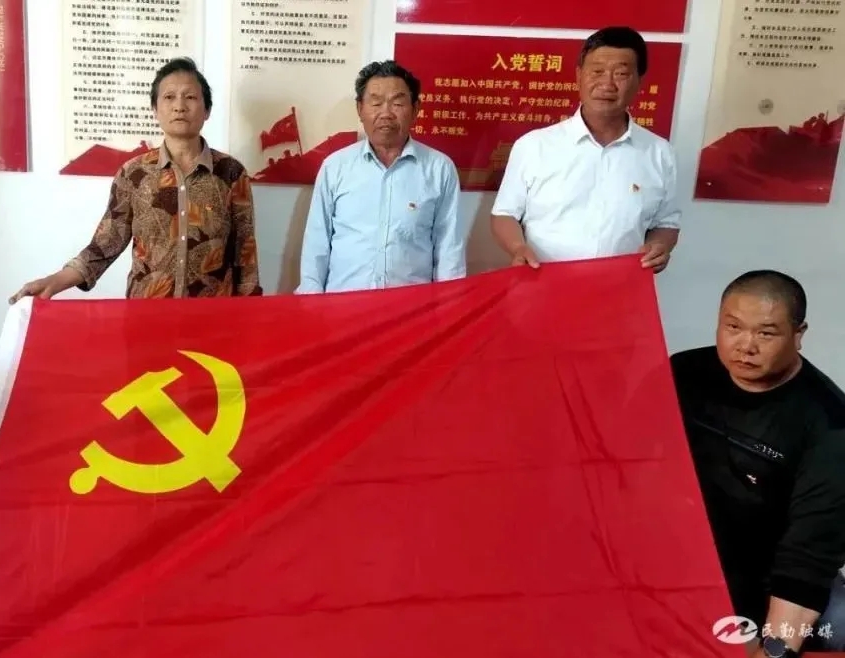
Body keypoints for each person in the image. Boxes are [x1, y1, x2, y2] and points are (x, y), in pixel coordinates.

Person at [669, 270, 845, 657]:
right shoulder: (682, 374)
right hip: (684, 560)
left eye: (766, 333)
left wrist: (776, 650)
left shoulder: (830, 425)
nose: (745, 346)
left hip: (771, 572)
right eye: (733, 327)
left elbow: (808, 554)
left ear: (798, 334)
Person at [10, 57, 261, 301]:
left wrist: (251, 315)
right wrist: (56, 281)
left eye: (191, 97)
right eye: (169, 97)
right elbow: (106, 243)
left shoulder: (231, 173)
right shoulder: (134, 174)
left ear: (207, 110)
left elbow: (245, 253)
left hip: (212, 317)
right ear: (155, 110)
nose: (179, 106)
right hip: (145, 316)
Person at [490, 26, 680, 273]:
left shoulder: (660, 153)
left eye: (621, 74)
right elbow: (504, 214)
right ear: (579, 75)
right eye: (597, 71)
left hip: (621, 286)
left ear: (639, 81)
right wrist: (518, 247)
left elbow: (666, 222)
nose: (607, 84)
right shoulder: (534, 146)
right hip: (543, 282)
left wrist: (659, 247)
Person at [296, 60, 467, 294]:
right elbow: (316, 244)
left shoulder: (439, 169)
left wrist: (449, 305)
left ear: (415, 109)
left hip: (410, 307)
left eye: (397, 103)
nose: (386, 114)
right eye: (375, 103)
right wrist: (311, 301)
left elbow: (449, 251)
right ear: (360, 109)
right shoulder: (335, 167)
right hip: (343, 305)